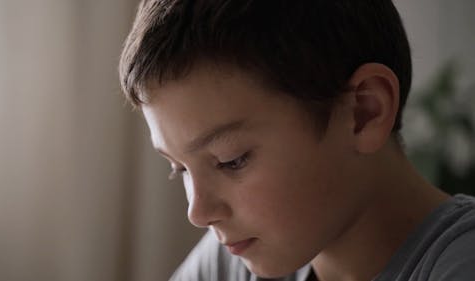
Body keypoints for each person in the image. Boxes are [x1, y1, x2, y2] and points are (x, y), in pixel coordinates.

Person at [118, 1, 475, 280]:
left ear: (364, 112)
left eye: (231, 160)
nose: (198, 213)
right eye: (178, 167)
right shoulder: (232, 264)